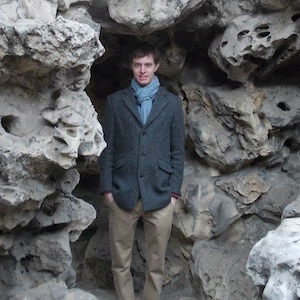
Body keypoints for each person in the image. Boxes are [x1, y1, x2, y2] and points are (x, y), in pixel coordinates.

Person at [99, 41, 185, 300]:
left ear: (157, 66)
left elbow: (177, 151)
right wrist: (107, 190)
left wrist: (173, 193)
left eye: (148, 65)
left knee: (156, 263)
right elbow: (107, 148)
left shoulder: (171, 104)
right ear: (131, 67)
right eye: (138, 65)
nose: (143, 70)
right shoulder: (116, 102)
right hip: (122, 192)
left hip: (160, 195)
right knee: (120, 261)